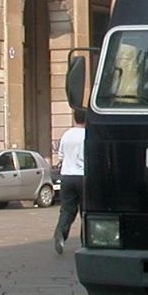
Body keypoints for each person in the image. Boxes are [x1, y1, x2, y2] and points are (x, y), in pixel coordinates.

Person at [53, 107, 86, 254]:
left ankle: (60, 233)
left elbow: (60, 156)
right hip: (83, 177)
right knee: (86, 211)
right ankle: (86, 241)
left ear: (74, 118)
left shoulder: (66, 135)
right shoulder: (88, 135)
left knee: (67, 210)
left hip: (66, 176)